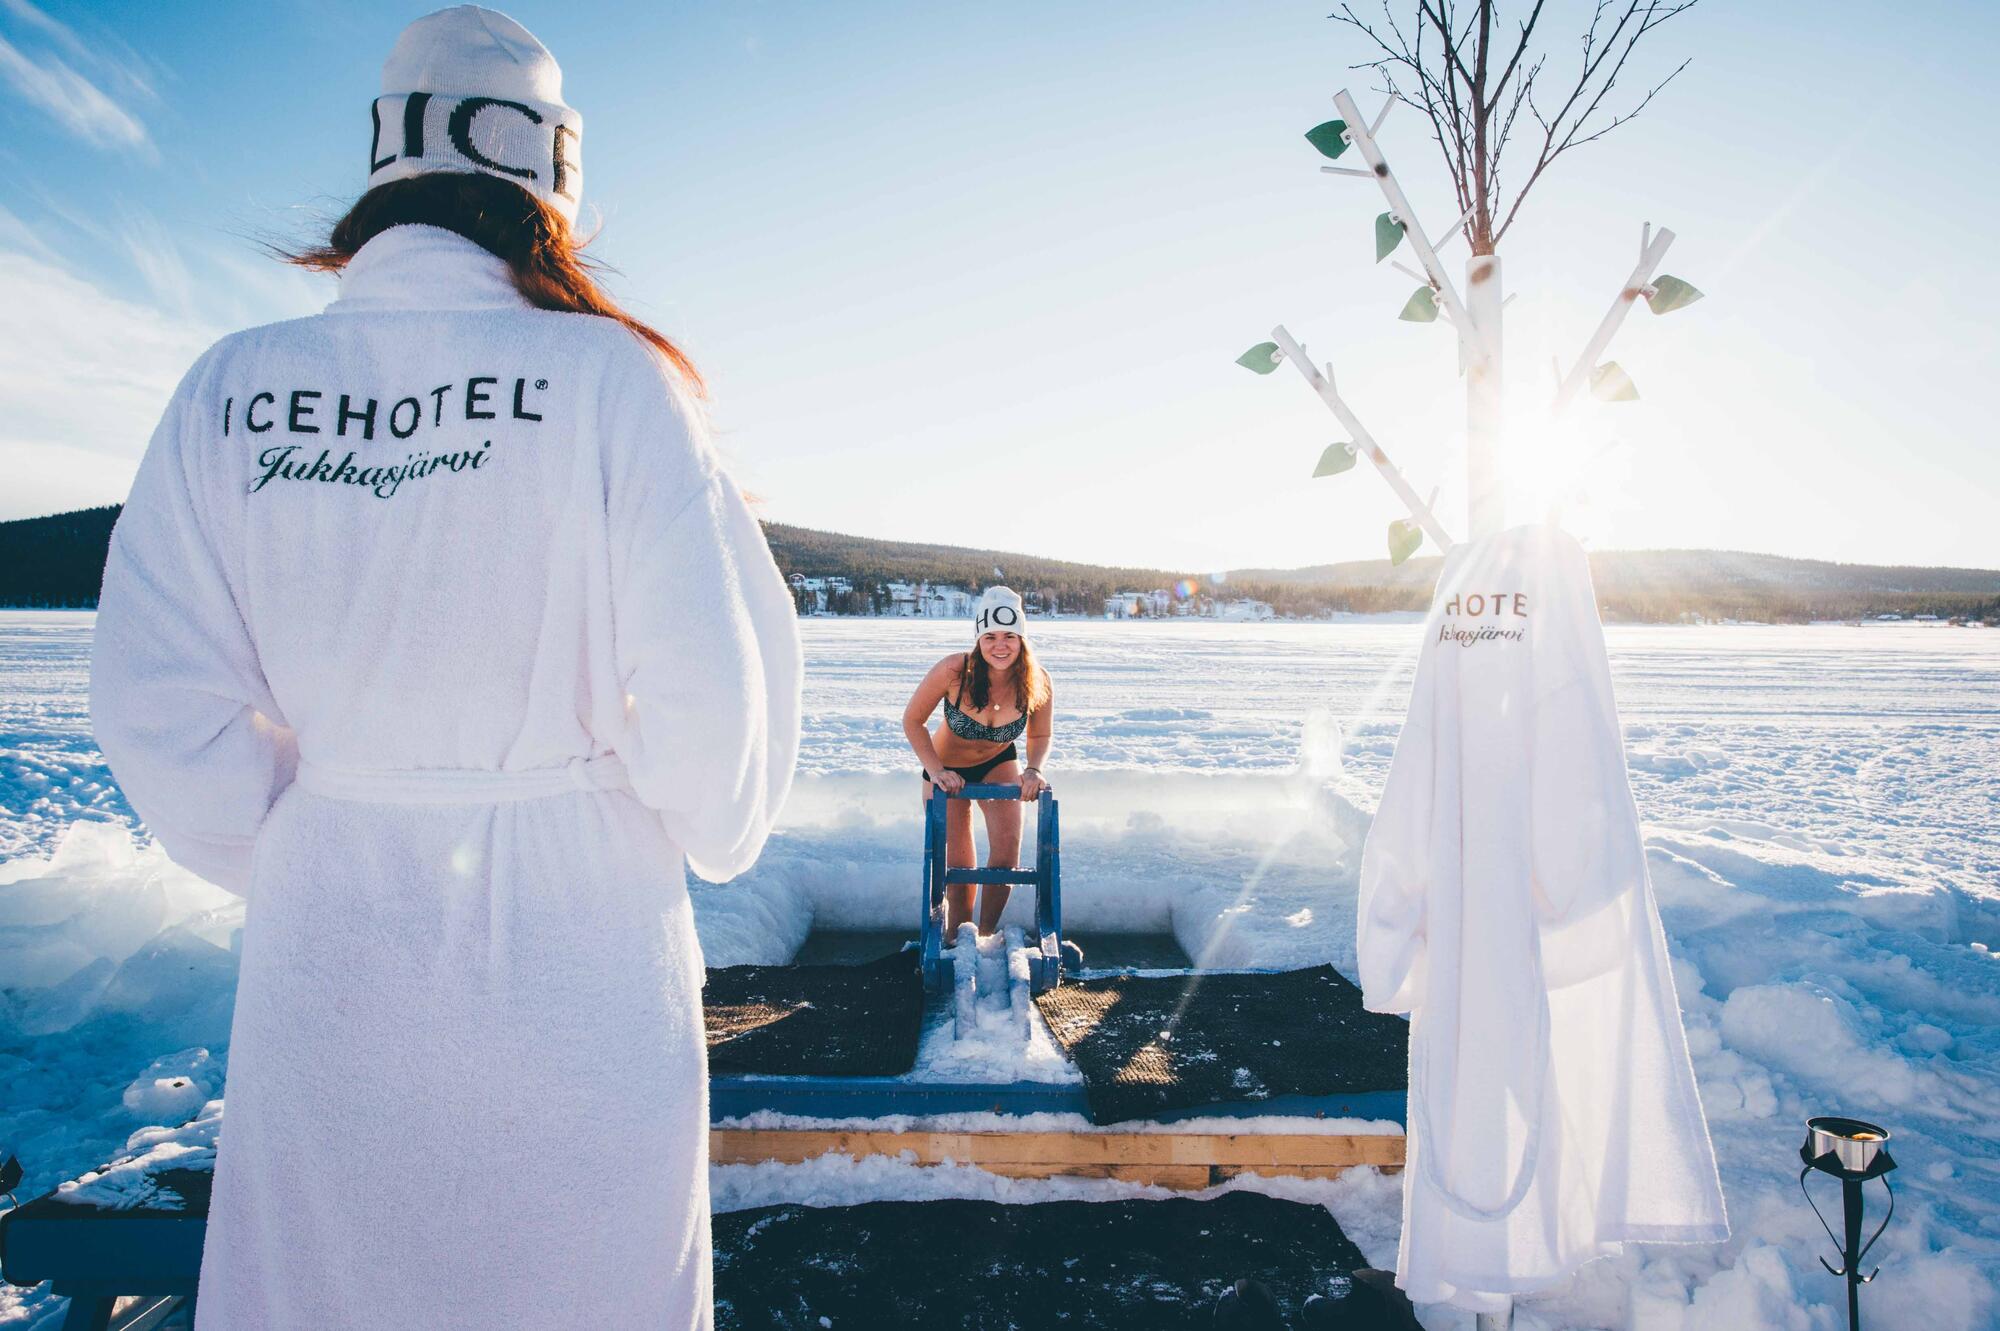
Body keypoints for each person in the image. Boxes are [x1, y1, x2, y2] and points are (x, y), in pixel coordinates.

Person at [87, 8, 802, 1328]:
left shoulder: (231, 386)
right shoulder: (613, 380)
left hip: (329, 948)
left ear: (384, 171)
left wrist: (321, 819)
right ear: (551, 183)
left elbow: (152, 700)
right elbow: (717, 751)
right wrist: (647, 804)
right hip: (580, 946)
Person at [901, 587, 1054, 936]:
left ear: (1022, 639)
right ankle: (959, 936)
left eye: (1010, 637)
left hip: (998, 761)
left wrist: (1033, 768)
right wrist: (937, 771)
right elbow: (912, 721)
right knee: (958, 863)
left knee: (1006, 856)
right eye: (991, 637)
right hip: (945, 769)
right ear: (979, 639)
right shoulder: (955, 670)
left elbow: (1040, 736)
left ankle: (984, 936)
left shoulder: (1038, 681)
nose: (1000, 646)